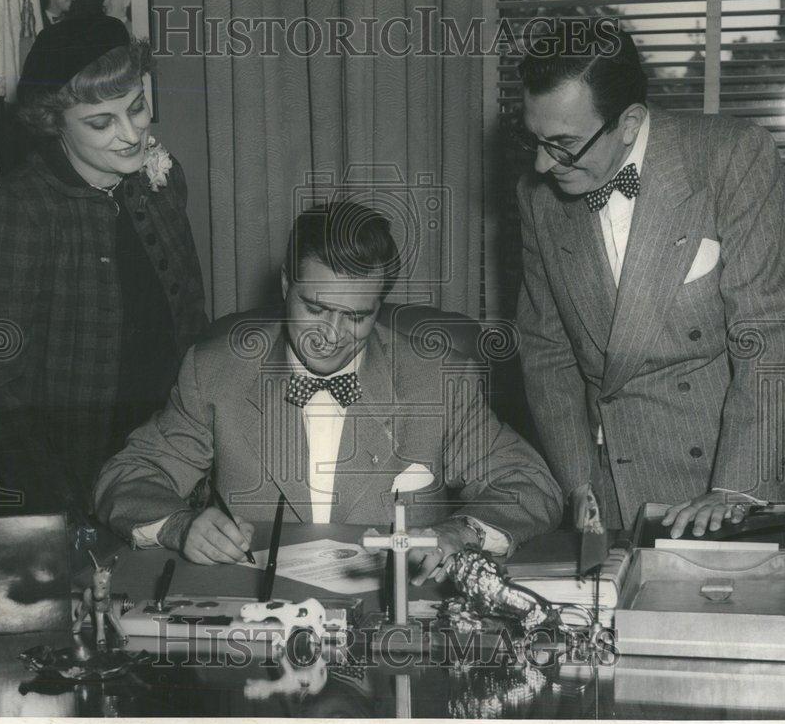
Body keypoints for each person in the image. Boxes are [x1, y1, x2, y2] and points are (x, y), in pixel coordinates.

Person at [95, 202, 563, 582]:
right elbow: (129, 476)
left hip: (392, 626)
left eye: (357, 316)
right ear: (285, 283)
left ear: (379, 305)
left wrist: (458, 532)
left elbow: (531, 484)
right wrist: (180, 526)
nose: (331, 335)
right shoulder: (215, 374)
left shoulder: (438, 380)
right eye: (316, 308)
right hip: (261, 622)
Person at [514, 23, 785, 538]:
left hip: (736, 478)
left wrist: (733, 489)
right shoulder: (537, 197)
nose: (543, 164)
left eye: (562, 145)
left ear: (629, 123)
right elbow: (547, 351)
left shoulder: (733, 157)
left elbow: (775, 336)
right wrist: (579, 483)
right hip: (613, 486)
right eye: (534, 140)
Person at [0, 17, 207, 521]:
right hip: (68, 482)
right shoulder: (16, 211)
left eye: (136, 107)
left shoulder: (162, 179)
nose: (131, 132)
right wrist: (60, 510)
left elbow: (189, 325)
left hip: (171, 469)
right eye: (101, 122)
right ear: (55, 123)